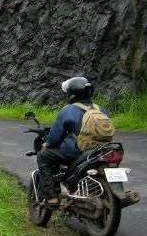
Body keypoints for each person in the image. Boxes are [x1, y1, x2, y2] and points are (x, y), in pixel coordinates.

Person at [37, 76, 104, 205]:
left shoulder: (68, 110)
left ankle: (51, 197)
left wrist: (47, 144)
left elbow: (55, 138)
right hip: (100, 150)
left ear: (71, 94)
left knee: (43, 156)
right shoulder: (100, 109)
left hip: (79, 151)